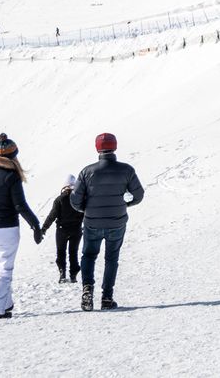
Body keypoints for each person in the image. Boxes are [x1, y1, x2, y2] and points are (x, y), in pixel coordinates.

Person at [0, 134, 42, 319]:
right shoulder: (11, 176)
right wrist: (35, 225)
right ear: (13, 157)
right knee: (4, 270)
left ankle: (5, 302)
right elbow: (20, 206)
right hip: (5, 228)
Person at [72, 132, 145, 311]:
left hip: (92, 222)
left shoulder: (86, 171)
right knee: (111, 258)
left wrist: (86, 209)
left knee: (88, 256)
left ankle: (87, 289)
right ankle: (107, 298)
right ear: (115, 147)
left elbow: (75, 200)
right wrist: (126, 204)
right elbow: (139, 194)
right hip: (117, 222)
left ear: (97, 148)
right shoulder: (126, 170)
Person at [41, 174, 84, 283]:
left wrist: (44, 228)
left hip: (62, 230)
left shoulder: (59, 199)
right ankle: (73, 275)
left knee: (61, 252)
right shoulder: (80, 199)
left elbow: (52, 215)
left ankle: (62, 273)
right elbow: (85, 214)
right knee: (73, 252)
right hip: (76, 230)